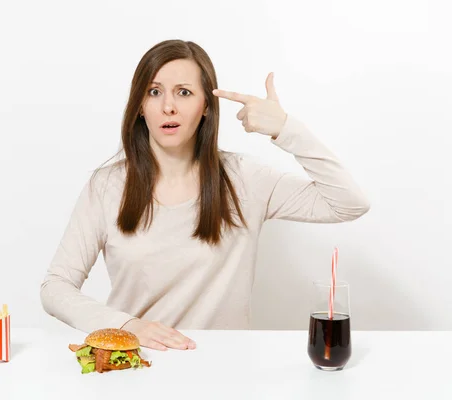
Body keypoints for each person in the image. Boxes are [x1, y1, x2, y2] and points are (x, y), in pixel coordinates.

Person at [40, 39, 370, 352]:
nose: (168, 106)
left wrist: (285, 128)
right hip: (136, 368)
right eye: (154, 92)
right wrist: (126, 325)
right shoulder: (107, 186)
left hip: (225, 372)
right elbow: (55, 287)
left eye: (184, 92)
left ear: (206, 108)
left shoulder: (244, 179)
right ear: (140, 106)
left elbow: (349, 203)